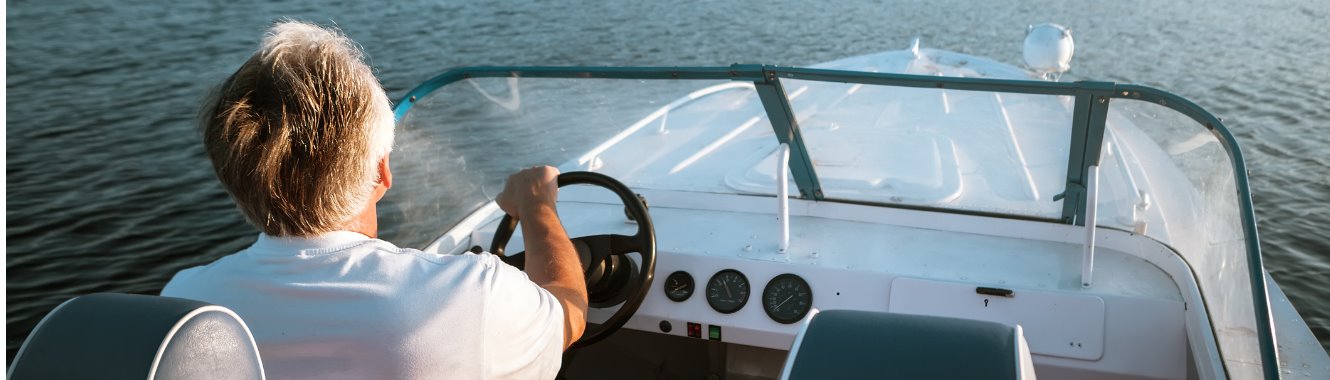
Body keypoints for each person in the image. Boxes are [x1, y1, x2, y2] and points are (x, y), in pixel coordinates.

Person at [161, 21, 587, 379]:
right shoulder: (471, 297)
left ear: (236, 182)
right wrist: (536, 207)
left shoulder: (184, 306)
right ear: (381, 173)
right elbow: (570, 312)